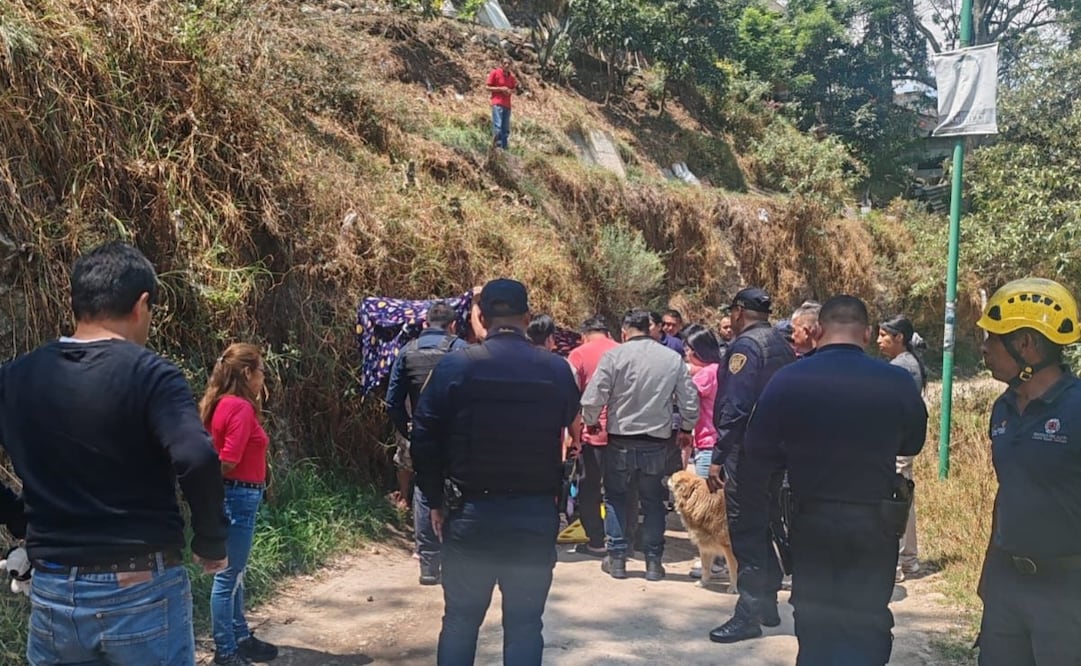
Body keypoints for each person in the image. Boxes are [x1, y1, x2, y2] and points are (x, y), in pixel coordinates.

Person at [0, 241, 228, 666]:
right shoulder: (151, 374)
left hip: (53, 588)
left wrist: (17, 516)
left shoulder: (14, 378)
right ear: (142, 305)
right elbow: (196, 455)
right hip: (140, 586)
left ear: (75, 301)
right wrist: (211, 539)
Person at [744, 295, 927, 665]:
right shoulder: (895, 381)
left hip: (811, 518)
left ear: (818, 330)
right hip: (874, 519)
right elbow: (914, 442)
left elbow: (757, 448)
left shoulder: (789, 380)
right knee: (869, 615)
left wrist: (793, 456)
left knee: (814, 616)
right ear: (868, 333)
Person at [411, 279, 580, 666]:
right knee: (524, 625)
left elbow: (423, 436)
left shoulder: (456, 365)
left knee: (460, 622)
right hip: (533, 515)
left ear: (482, 318)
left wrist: (435, 500)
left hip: (471, 516)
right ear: (527, 318)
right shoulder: (556, 370)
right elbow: (572, 427)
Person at [973, 277, 1081, 666]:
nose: (984, 348)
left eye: (993, 338)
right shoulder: (1003, 407)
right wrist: (989, 574)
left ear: (1027, 346)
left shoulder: (1076, 409)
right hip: (1007, 583)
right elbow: (1010, 492)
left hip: (1067, 591)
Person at [581, 309, 698, 582]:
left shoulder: (614, 356)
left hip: (620, 440)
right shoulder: (672, 359)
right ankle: (654, 563)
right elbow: (689, 399)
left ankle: (618, 560)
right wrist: (687, 428)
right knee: (654, 501)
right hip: (657, 443)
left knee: (615, 498)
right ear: (651, 329)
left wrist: (591, 421)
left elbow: (593, 396)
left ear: (624, 331)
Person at [708, 286, 796, 643]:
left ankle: (747, 614)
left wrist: (718, 455)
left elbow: (735, 406)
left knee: (746, 532)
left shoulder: (745, 348)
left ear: (739, 311)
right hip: (777, 452)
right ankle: (767, 602)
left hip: (748, 453)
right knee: (767, 524)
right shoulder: (781, 344)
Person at [200, 343, 279, 666]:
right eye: (261, 370)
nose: (263, 378)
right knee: (228, 575)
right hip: (239, 494)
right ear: (247, 373)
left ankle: (239, 635)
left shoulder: (218, 403)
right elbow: (228, 459)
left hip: (233, 493)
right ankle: (226, 649)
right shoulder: (240, 408)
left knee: (235, 572)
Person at [385, 302, 468, 585]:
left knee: (423, 490)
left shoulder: (408, 352)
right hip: (455, 435)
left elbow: (393, 400)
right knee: (458, 490)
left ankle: (429, 566)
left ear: (424, 324)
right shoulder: (460, 349)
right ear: (453, 325)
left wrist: (406, 429)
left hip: (421, 433)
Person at [877, 314, 927, 583]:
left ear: (900, 338)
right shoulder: (905, 364)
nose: (879, 340)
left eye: (884, 335)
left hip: (897, 444)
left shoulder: (901, 368)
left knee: (895, 501)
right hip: (903, 443)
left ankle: (896, 564)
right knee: (904, 498)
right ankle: (909, 560)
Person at [566, 314, 619, 557]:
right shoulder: (624, 351)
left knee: (589, 490)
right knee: (620, 489)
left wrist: (572, 436)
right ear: (608, 333)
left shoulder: (578, 354)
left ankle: (596, 541)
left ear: (584, 335)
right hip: (623, 433)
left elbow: (570, 397)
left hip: (591, 434)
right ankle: (620, 540)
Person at [486, 58, 517, 150]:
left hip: (507, 105)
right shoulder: (495, 73)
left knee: (505, 128)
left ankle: (504, 148)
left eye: (508, 63)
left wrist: (509, 91)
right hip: (497, 103)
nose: (506, 65)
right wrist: (501, 89)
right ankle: (497, 147)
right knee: (498, 126)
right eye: (505, 63)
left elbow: (514, 89)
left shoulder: (511, 77)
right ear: (501, 64)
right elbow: (487, 87)